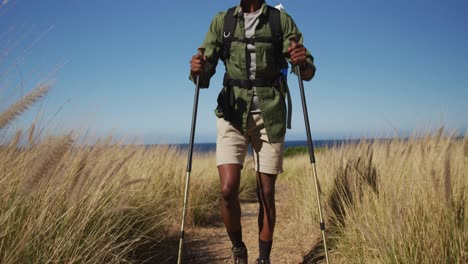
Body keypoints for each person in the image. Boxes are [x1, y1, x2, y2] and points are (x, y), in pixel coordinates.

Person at [189, 0, 315, 263]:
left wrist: (302, 62)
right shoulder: (222, 22)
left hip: (270, 114)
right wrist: (198, 70)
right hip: (231, 114)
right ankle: (238, 250)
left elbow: (307, 71)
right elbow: (205, 75)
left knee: (266, 192)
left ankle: (264, 259)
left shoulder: (280, 21)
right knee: (227, 190)